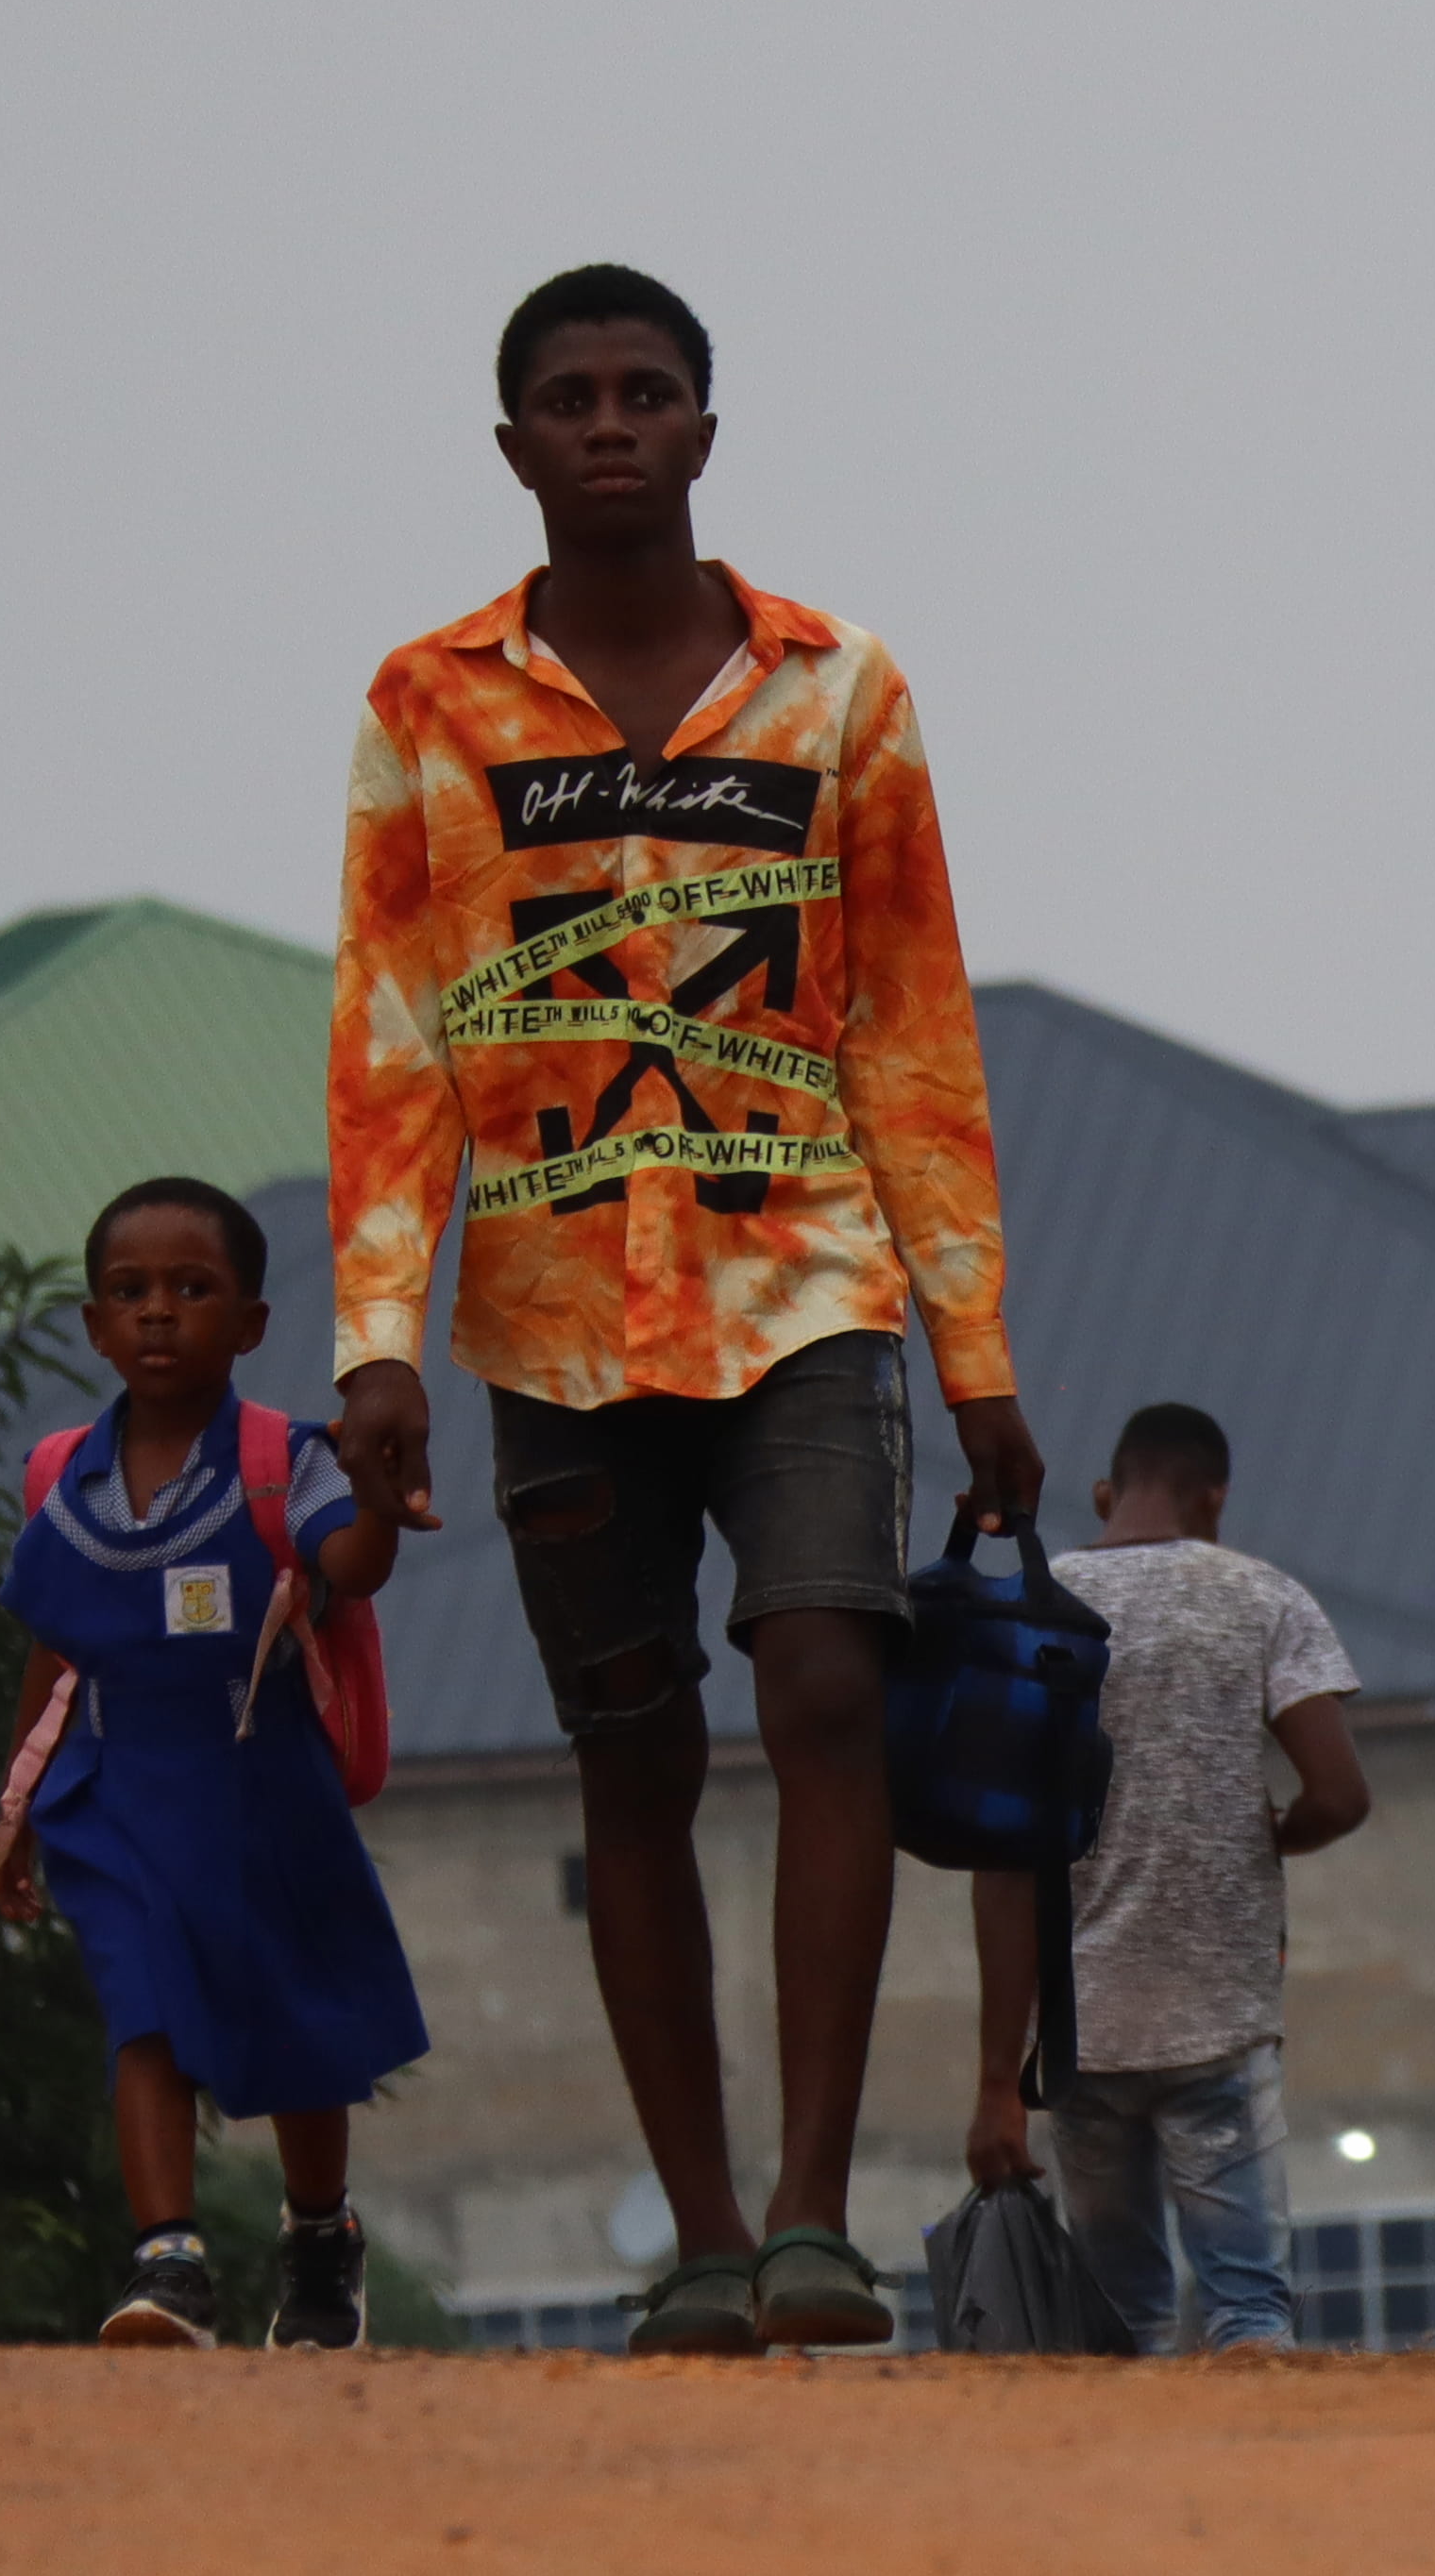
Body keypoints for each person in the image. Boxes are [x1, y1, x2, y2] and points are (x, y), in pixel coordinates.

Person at [324, 260, 1043, 2358]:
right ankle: (706, 2241)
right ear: (517, 445)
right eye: (573, 395)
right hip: (549, 1312)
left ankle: (821, 2210)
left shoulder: (839, 692)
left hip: (805, 1279)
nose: (613, 423)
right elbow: (391, 1036)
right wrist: (378, 1336)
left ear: (710, 433)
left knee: (827, 1686)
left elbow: (914, 1025)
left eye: (650, 391)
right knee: (631, 1754)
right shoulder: (429, 704)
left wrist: (974, 1343)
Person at [0, 1179, 430, 2349]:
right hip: (117, 1794)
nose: (158, 1316)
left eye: (192, 1290)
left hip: (263, 1794)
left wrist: (380, 1500)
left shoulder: (292, 1462)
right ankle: (168, 2264)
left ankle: (319, 2237)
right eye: (129, 1294)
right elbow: (53, 1645)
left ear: (249, 1324)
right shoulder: (61, 1480)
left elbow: (355, 1562)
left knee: (302, 2026)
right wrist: (16, 1809)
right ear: (93, 1325)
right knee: (143, 2017)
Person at [971, 1405, 1367, 2353]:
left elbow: (1003, 1859)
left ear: (1107, 1494)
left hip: (1082, 2041)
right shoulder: (1265, 1598)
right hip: (1220, 2028)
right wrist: (1277, 1834)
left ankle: (1136, 2493)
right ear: (1214, 1498)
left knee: (1125, 2326)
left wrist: (995, 2079)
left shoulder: (1036, 1606)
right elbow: (1341, 1794)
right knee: (1248, 2312)